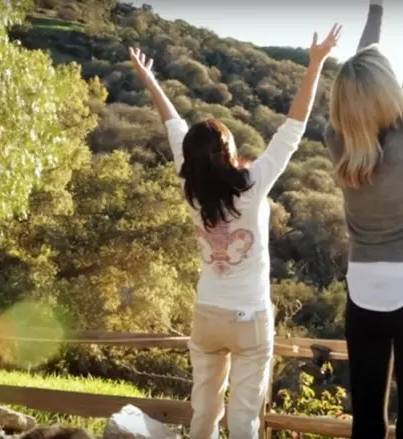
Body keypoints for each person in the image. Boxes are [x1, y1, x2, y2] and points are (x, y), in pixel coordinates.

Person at [128, 24, 341, 439]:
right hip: (250, 318)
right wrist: (315, 63)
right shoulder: (254, 184)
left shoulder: (190, 185)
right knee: (244, 417)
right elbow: (293, 128)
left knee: (204, 410)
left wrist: (148, 78)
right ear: (228, 151)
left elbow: (172, 123)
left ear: (190, 157)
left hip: (208, 313)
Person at [322, 0, 403, 438]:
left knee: (367, 424)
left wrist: (376, 9)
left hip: (363, 295)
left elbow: (360, 67)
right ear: (388, 89)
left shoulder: (336, 141)